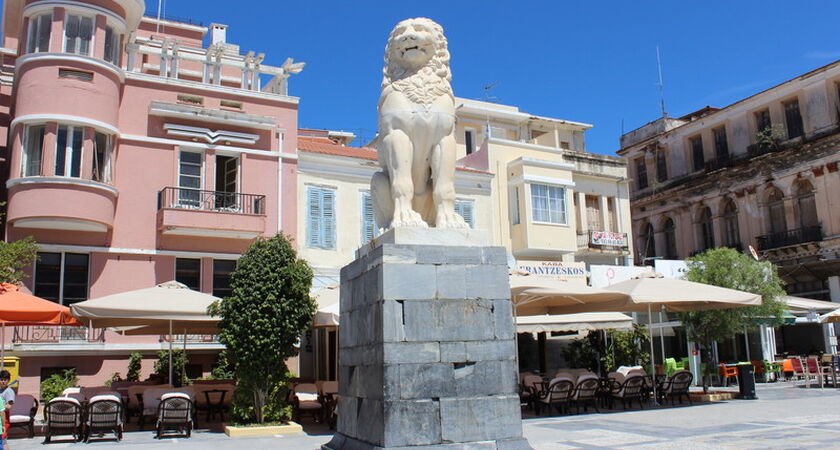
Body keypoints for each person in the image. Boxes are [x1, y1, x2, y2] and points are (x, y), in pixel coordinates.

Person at [0, 370, 12, 449]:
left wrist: (1, 406)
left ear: (8, 380)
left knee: (3, 439)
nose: (3, 381)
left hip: (4, 417)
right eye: (1, 379)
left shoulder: (9, 391)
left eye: (5, 380)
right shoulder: (0, 390)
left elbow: (9, 406)